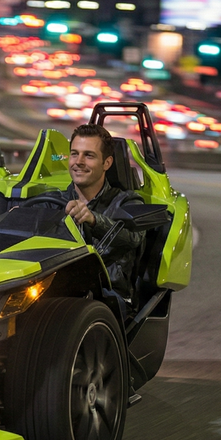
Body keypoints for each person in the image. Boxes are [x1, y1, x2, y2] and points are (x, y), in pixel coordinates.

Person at [64, 123, 146, 307]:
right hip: (58, 289)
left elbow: (133, 237)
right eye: (75, 154)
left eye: (89, 155)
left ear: (107, 163)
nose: (79, 161)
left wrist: (93, 219)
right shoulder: (54, 200)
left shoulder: (128, 202)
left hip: (109, 298)